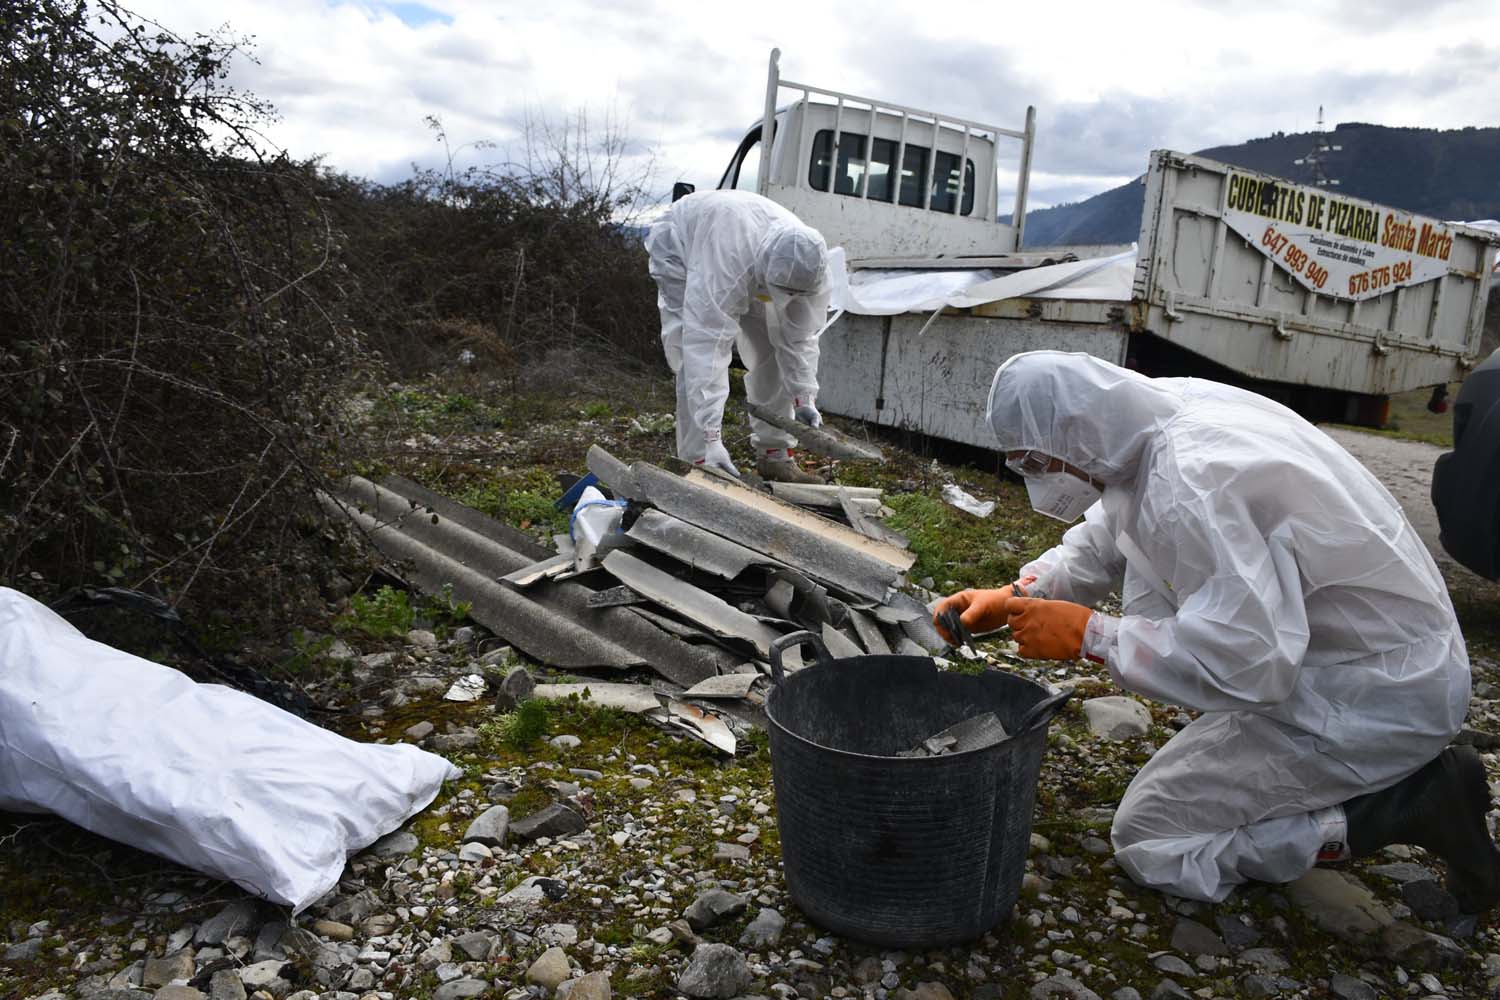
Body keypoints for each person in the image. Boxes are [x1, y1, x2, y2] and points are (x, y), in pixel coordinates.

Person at [933, 350, 1500, 909]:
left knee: (1154, 840)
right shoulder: (1152, 419)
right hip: (1353, 657)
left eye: (1039, 462)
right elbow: (1113, 525)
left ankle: (1409, 804)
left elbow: (1248, 662)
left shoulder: (1192, 482)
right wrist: (1019, 594)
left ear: (1078, 433)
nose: (1039, 480)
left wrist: (1093, 635)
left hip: (1370, 696)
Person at [645, 190, 832, 484]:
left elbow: (800, 339)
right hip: (682, 246)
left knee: (772, 349)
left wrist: (804, 396)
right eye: (783, 292)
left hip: (752, 257)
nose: (787, 299)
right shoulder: (725, 263)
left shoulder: (810, 268)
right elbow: (706, 344)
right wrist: (711, 434)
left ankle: (775, 455)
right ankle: (700, 460)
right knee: (691, 350)